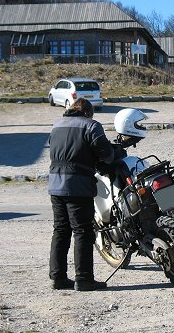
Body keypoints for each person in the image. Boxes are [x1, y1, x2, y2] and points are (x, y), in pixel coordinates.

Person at [48, 97, 115, 291]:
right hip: (78, 186)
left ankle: (58, 277)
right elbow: (106, 154)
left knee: (60, 230)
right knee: (83, 231)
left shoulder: (57, 126)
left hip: (55, 185)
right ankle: (84, 279)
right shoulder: (90, 126)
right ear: (87, 112)